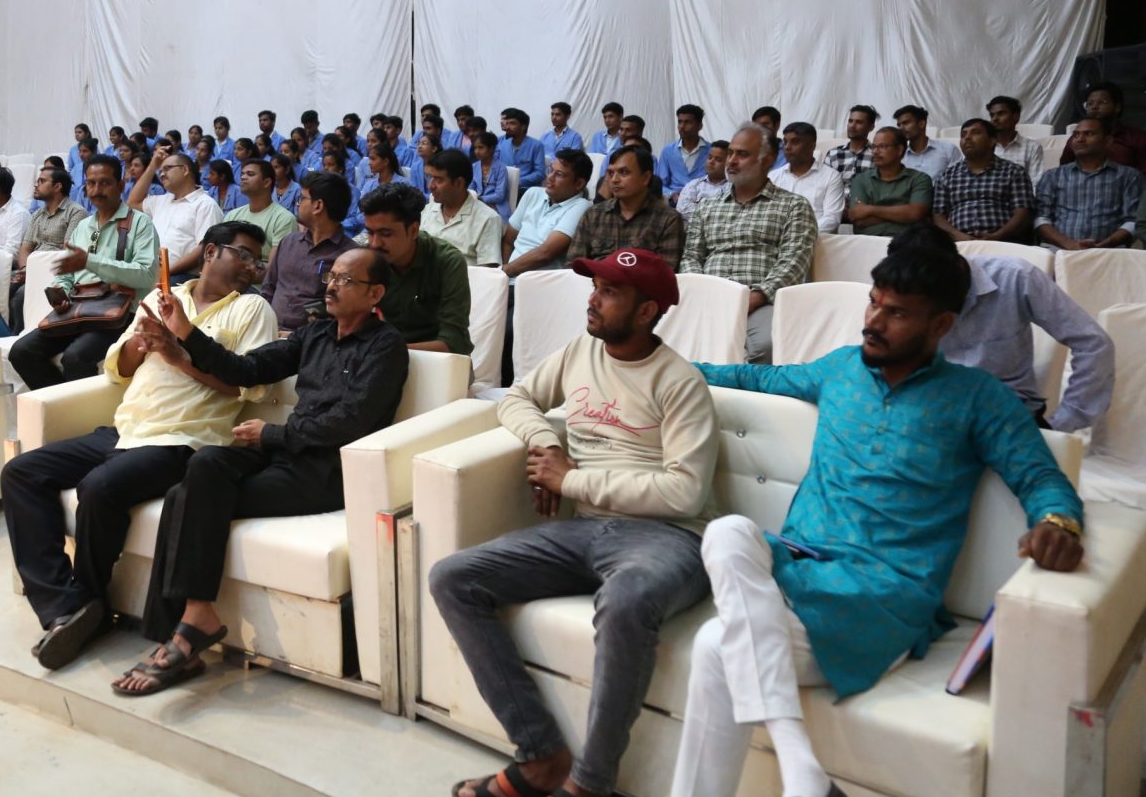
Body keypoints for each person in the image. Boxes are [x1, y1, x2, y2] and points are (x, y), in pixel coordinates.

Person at [669, 246, 1084, 797]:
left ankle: (801, 773)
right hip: (797, 574)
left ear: (941, 325)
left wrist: (1058, 523)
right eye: (873, 303)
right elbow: (754, 377)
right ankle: (804, 772)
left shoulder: (978, 399)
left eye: (897, 313)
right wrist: (662, 364)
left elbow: (1041, 477)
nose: (874, 321)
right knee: (727, 532)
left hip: (883, 600)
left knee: (715, 646)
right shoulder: (841, 369)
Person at [435, 249, 717, 797]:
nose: (593, 299)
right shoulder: (580, 350)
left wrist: (571, 481)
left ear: (646, 311)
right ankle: (541, 755)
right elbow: (517, 398)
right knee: (453, 577)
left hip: (668, 537)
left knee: (628, 598)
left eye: (610, 292)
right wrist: (547, 445)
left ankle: (591, 783)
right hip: (585, 530)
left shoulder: (680, 382)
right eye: (595, 287)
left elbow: (686, 492)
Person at [113, 246, 409, 695]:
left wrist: (272, 434)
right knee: (205, 463)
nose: (332, 285)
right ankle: (192, 623)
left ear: (375, 294)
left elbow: (352, 421)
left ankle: (178, 636)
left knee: (183, 496)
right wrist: (186, 331)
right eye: (331, 275)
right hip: (286, 452)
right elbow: (246, 369)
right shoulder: (314, 334)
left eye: (346, 280)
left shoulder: (386, 347)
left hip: (326, 471)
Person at [1, 223, 279, 670]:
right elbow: (119, 368)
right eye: (243, 255)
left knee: (100, 487)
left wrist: (178, 355)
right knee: (21, 472)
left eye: (257, 260)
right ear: (210, 252)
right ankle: (64, 607)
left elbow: (244, 384)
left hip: (184, 438)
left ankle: (88, 602)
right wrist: (139, 342)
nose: (252, 267)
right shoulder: (164, 296)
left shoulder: (252, 309)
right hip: (126, 428)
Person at [888, 223, 1113, 432]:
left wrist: (1065, 423)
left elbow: (1092, 343)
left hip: (1006, 416)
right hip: (934, 413)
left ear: (959, 265)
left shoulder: (1016, 276)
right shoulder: (901, 297)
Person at [7, 155, 159, 392]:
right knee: (21, 351)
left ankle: (78, 411)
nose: (96, 190)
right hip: (78, 309)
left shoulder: (140, 223)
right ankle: (61, 406)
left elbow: (146, 275)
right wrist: (60, 290)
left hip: (118, 314)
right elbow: (67, 274)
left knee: (75, 357)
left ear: (120, 185)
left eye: (105, 183)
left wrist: (90, 261)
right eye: (91, 183)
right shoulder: (84, 226)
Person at [681, 124, 816, 364]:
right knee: (666, 334)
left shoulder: (794, 206)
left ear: (767, 160)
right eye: (730, 153)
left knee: (767, 345)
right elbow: (691, 255)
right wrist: (703, 292)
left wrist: (755, 297)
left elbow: (794, 262)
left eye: (742, 154)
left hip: (760, 302)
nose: (731, 161)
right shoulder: (707, 206)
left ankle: (743, 390)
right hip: (707, 298)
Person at [358, 182, 471, 354]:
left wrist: (388, 351)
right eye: (370, 233)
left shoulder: (447, 262)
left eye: (386, 234)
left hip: (437, 361)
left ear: (413, 231)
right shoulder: (369, 259)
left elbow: (454, 342)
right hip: (385, 355)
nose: (375, 243)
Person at [259, 170, 357, 331]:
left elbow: (344, 312)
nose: (297, 204)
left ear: (318, 206)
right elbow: (268, 289)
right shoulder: (289, 242)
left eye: (302, 199)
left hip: (313, 338)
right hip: (269, 331)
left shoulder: (349, 256)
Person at [1035, 116, 1143, 250]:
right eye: (1076, 135)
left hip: (1110, 251)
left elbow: (1132, 221)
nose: (1080, 139)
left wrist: (1107, 243)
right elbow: (1041, 218)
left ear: (1108, 141)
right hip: (1058, 251)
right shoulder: (1053, 176)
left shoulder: (1129, 176)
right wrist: (1070, 245)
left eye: (1089, 134)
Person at [568, 145, 684, 269]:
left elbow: (665, 272)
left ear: (645, 178)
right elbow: (573, 266)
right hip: (594, 280)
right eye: (611, 173)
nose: (614, 179)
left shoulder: (668, 219)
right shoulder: (593, 215)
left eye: (623, 172)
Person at [931, 118, 1035, 242]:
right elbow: (938, 216)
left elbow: (1023, 212)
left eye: (975, 133)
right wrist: (957, 236)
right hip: (959, 244)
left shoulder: (1014, 172)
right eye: (963, 135)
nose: (967, 138)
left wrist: (998, 236)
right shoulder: (947, 176)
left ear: (992, 141)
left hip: (1005, 242)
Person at [128, 148, 221, 280]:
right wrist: (152, 166)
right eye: (160, 171)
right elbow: (132, 202)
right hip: (151, 273)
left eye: (167, 168)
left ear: (185, 170)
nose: (162, 174)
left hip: (183, 276)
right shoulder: (161, 200)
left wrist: (165, 272)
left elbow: (204, 248)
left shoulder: (205, 204)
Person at [12, 167, 88, 325]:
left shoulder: (76, 212)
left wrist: (35, 272)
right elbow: (26, 247)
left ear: (57, 186)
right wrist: (26, 270)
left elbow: (68, 252)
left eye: (41, 181)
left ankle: (24, 333)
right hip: (32, 270)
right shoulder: (38, 214)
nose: (36, 185)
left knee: (20, 296)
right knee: (5, 286)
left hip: (55, 274)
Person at [502, 149, 593, 278]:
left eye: (559, 174)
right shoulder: (532, 193)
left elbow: (546, 253)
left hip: (541, 283)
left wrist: (503, 271)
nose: (550, 177)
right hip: (509, 278)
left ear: (579, 184)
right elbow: (508, 240)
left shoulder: (582, 206)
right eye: (551, 170)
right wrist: (504, 279)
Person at [421, 149, 503, 267]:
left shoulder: (487, 219)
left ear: (459, 183)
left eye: (438, 180)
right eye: (430, 178)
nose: (430, 186)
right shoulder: (428, 210)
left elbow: (487, 271)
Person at [847, 127, 933, 237]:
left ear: (900, 150)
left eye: (882, 146)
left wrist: (869, 209)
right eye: (873, 147)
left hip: (907, 242)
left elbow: (915, 214)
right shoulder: (860, 180)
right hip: (869, 242)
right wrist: (902, 215)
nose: (875, 152)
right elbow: (857, 218)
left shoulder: (920, 179)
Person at [768, 122, 845, 235]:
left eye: (795, 142)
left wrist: (799, 234)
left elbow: (832, 219)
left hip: (815, 239)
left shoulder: (831, 177)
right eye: (785, 142)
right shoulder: (773, 176)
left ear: (811, 146)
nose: (787, 147)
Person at [1059, 81, 1146, 172]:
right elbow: (1063, 172)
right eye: (1090, 103)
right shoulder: (1078, 139)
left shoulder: (1136, 138)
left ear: (1117, 107)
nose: (1094, 107)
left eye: (1102, 102)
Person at [222, 158, 298, 261]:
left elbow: (274, 267)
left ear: (266, 182)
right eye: (242, 174)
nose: (243, 177)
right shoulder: (232, 215)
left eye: (250, 174)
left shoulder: (284, 219)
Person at [345, 141, 414, 237]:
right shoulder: (369, 185)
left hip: (394, 232)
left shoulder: (404, 184)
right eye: (369, 159)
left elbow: (408, 212)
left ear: (385, 161)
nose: (369, 163)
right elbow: (360, 214)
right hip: (368, 231)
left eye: (373, 159)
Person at [655, 104, 713, 204]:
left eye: (688, 122)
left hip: (704, 204)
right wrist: (672, 194)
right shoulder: (668, 151)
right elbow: (660, 184)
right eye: (680, 122)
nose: (682, 127)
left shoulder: (711, 151)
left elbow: (719, 181)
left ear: (700, 125)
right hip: (674, 205)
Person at [987, 95, 1046, 183]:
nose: (995, 119)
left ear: (1016, 117)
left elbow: (1036, 183)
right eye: (992, 115)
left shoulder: (1032, 147)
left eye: (1001, 114)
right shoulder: (983, 146)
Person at [894, 104, 962, 179]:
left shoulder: (948, 149)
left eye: (906, 123)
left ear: (921, 124)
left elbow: (958, 179)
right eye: (899, 125)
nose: (900, 128)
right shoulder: (899, 155)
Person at [822, 104, 879, 194]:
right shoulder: (833, 154)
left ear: (871, 127)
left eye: (859, 122)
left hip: (866, 200)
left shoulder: (877, 153)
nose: (852, 126)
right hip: (836, 200)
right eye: (850, 121)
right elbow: (823, 184)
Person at [498, 108, 546, 198]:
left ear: (523, 126)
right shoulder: (501, 143)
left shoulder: (536, 145)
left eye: (512, 123)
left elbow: (540, 173)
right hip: (503, 188)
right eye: (507, 123)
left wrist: (518, 181)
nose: (508, 127)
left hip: (525, 190)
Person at [675, 140, 730, 217]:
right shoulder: (694, 185)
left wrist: (699, 208)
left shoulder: (732, 188)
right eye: (710, 157)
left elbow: (729, 213)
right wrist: (714, 213)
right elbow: (682, 210)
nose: (711, 162)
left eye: (718, 159)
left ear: (728, 163)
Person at [471, 131, 512, 222]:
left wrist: (481, 199)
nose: (477, 151)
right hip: (477, 205)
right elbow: (471, 189)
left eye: (481, 147)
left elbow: (500, 195)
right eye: (475, 148)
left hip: (496, 207)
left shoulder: (501, 168)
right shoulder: (474, 167)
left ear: (491, 149)